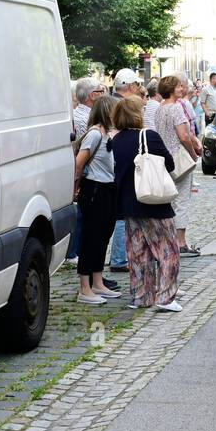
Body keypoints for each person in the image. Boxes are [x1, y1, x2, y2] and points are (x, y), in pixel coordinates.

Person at [107, 97, 180, 311]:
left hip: (129, 206)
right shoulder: (149, 136)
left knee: (139, 254)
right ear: (138, 114)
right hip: (153, 203)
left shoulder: (116, 140)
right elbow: (169, 163)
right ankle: (166, 298)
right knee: (167, 251)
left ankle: (141, 296)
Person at [72, 96, 121, 304]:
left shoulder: (106, 134)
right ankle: (85, 287)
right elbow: (79, 163)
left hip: (107, 189)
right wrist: (75, 188)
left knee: (103, 237)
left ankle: (98, 282)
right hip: (94, 190)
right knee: (91, 238)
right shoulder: (94, 134)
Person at [156, 76, 202, 258]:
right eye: (179, 87)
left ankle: (168, 239)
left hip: (164, 159)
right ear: (172, 89)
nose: (182, 89)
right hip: (178, 158)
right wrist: (192, 153)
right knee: (182, 200)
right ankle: (180, 242)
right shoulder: (176, 108)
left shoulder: (160, 109)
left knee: (169, 200)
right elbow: (184, 135)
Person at [107, 69, 143, 274]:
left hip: (116, 162)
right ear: (130, 86)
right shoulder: (120, 104)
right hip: (120, 163)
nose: (138, 89)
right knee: (121, 214)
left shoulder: (112, 100)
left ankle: (121, 255)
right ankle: (119, 257)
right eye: (137, 86)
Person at [68, 78, 107, 265]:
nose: (105, 93)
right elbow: (82, 155)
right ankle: (75, 253)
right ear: (93, 96)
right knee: (84, 220)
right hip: (87, 178)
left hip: (86, 176)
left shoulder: (83, 115)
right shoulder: (86, 120)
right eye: (102, 90)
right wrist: (77, 182)